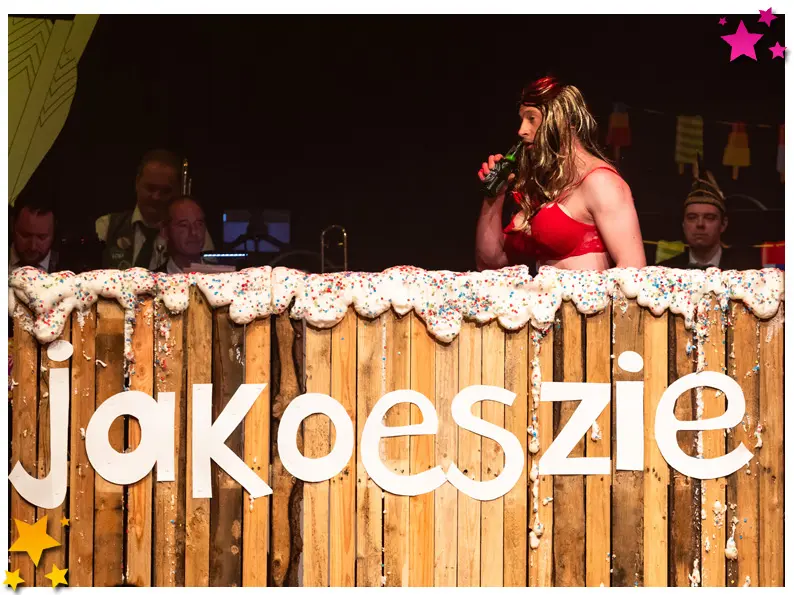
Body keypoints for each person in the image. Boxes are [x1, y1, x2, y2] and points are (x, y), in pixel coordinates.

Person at [475, 76, 646, 272]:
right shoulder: (543, 191)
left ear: (562, 120)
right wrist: (494, 196)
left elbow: (633, 269)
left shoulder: (601, 182)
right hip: (545, 293)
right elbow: (490, 263)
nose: (522, 130)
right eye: (522, 120)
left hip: (587, 293)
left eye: (532, 119)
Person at [95, 149, 213, 270]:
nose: (156, 197)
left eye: (165, 191)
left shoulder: (194, 232)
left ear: (177, 190)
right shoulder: (106, 226)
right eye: (150, 188)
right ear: (137, 183)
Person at [658, 165, 757, 270]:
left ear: (723, 224)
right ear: (683, 224)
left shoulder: (746, 271)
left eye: (709, 217)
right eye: (692, 217)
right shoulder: (665, 272)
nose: (700, 224)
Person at [9, 191, 59, 272]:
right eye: (25, 235)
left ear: (54, 231)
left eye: (42, 237)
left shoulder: (73, 267)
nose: (33, 247)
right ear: (12, 225)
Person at [156, 197, 208, 274]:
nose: (194, 232)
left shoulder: (221, 277)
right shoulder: (152, 279)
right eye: (184, 225)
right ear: (165, 231)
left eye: (199, 224)